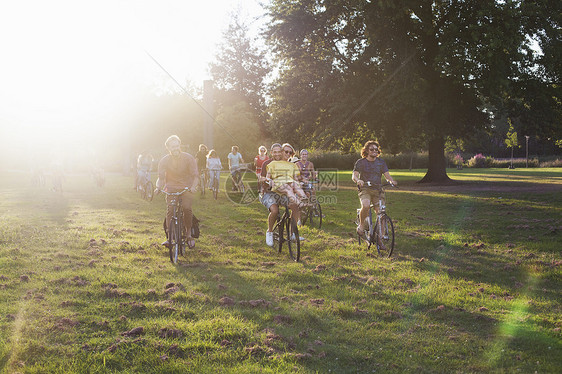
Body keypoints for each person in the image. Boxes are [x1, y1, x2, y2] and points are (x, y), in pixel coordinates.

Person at [155, 135, 199, 249]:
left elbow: (195, 176)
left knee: (186, 208)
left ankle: (189, 234)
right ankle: (170, 238)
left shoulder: (188, 158)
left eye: (176, 145)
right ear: (168, 148)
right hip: (171, 189)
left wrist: (193, 187)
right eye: (172, 146)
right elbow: (160, 177)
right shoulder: (164, 160)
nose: (175, 148)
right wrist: (158, 188)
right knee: (170, 209)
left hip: (186, 188)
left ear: (180, 145)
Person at [259, 143, 304, 246]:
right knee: (275, 210)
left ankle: (292, 234)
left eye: (280, 151)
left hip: (283, 193)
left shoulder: (287, 164)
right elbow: (261, 178)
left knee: (295, 207)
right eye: (275, 152)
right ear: (271, 153)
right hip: (269, 192)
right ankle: (269, 232)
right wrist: (268, 180)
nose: (278, 154)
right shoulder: (267, 163)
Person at [352, 140, 397, 239]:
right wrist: (358, 180)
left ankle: (379, 239)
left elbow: (387, 175)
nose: (374, 151)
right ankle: (362, 225)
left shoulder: (381, 162)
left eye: (376, 149)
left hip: (378, 190)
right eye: (372, 149)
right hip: (365, 189)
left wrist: (391, 181)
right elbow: (354, 175)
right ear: (367, 151)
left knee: (381, 213)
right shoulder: (361, 162)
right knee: (366, 205)